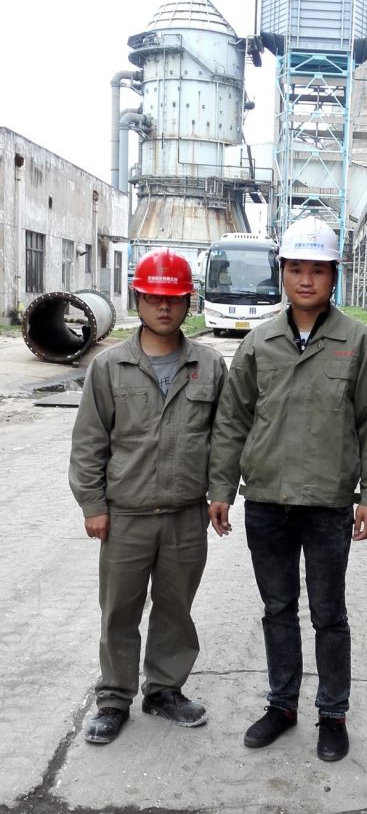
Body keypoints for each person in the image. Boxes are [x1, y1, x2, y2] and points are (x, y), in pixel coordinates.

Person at [208, 217, 367, 763]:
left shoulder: (357, 343)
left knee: (329, 614)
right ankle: (282, 705)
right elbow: (232, 421)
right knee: (277, 608)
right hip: (267, 501)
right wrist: (221, 488)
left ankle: (333, 714)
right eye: (296, 269)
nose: (306, 280)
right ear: (282, 273)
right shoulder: (259, 343)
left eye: (318, 270)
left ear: (334, 276)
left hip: (328, 504)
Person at [70, 249, 225, 745]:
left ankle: (164, 691)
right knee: (119, 610)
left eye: (174, 299)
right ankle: (114, 699)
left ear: (188, 303)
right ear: (138, 299)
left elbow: (225, 437)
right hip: (126, 516)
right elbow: (89, 441)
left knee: (175, 609)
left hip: (185, 515)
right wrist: (93, 505)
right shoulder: (109, 366)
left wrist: (221, 492)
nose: (164, 307)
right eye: (154, 297)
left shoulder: (209, 365)